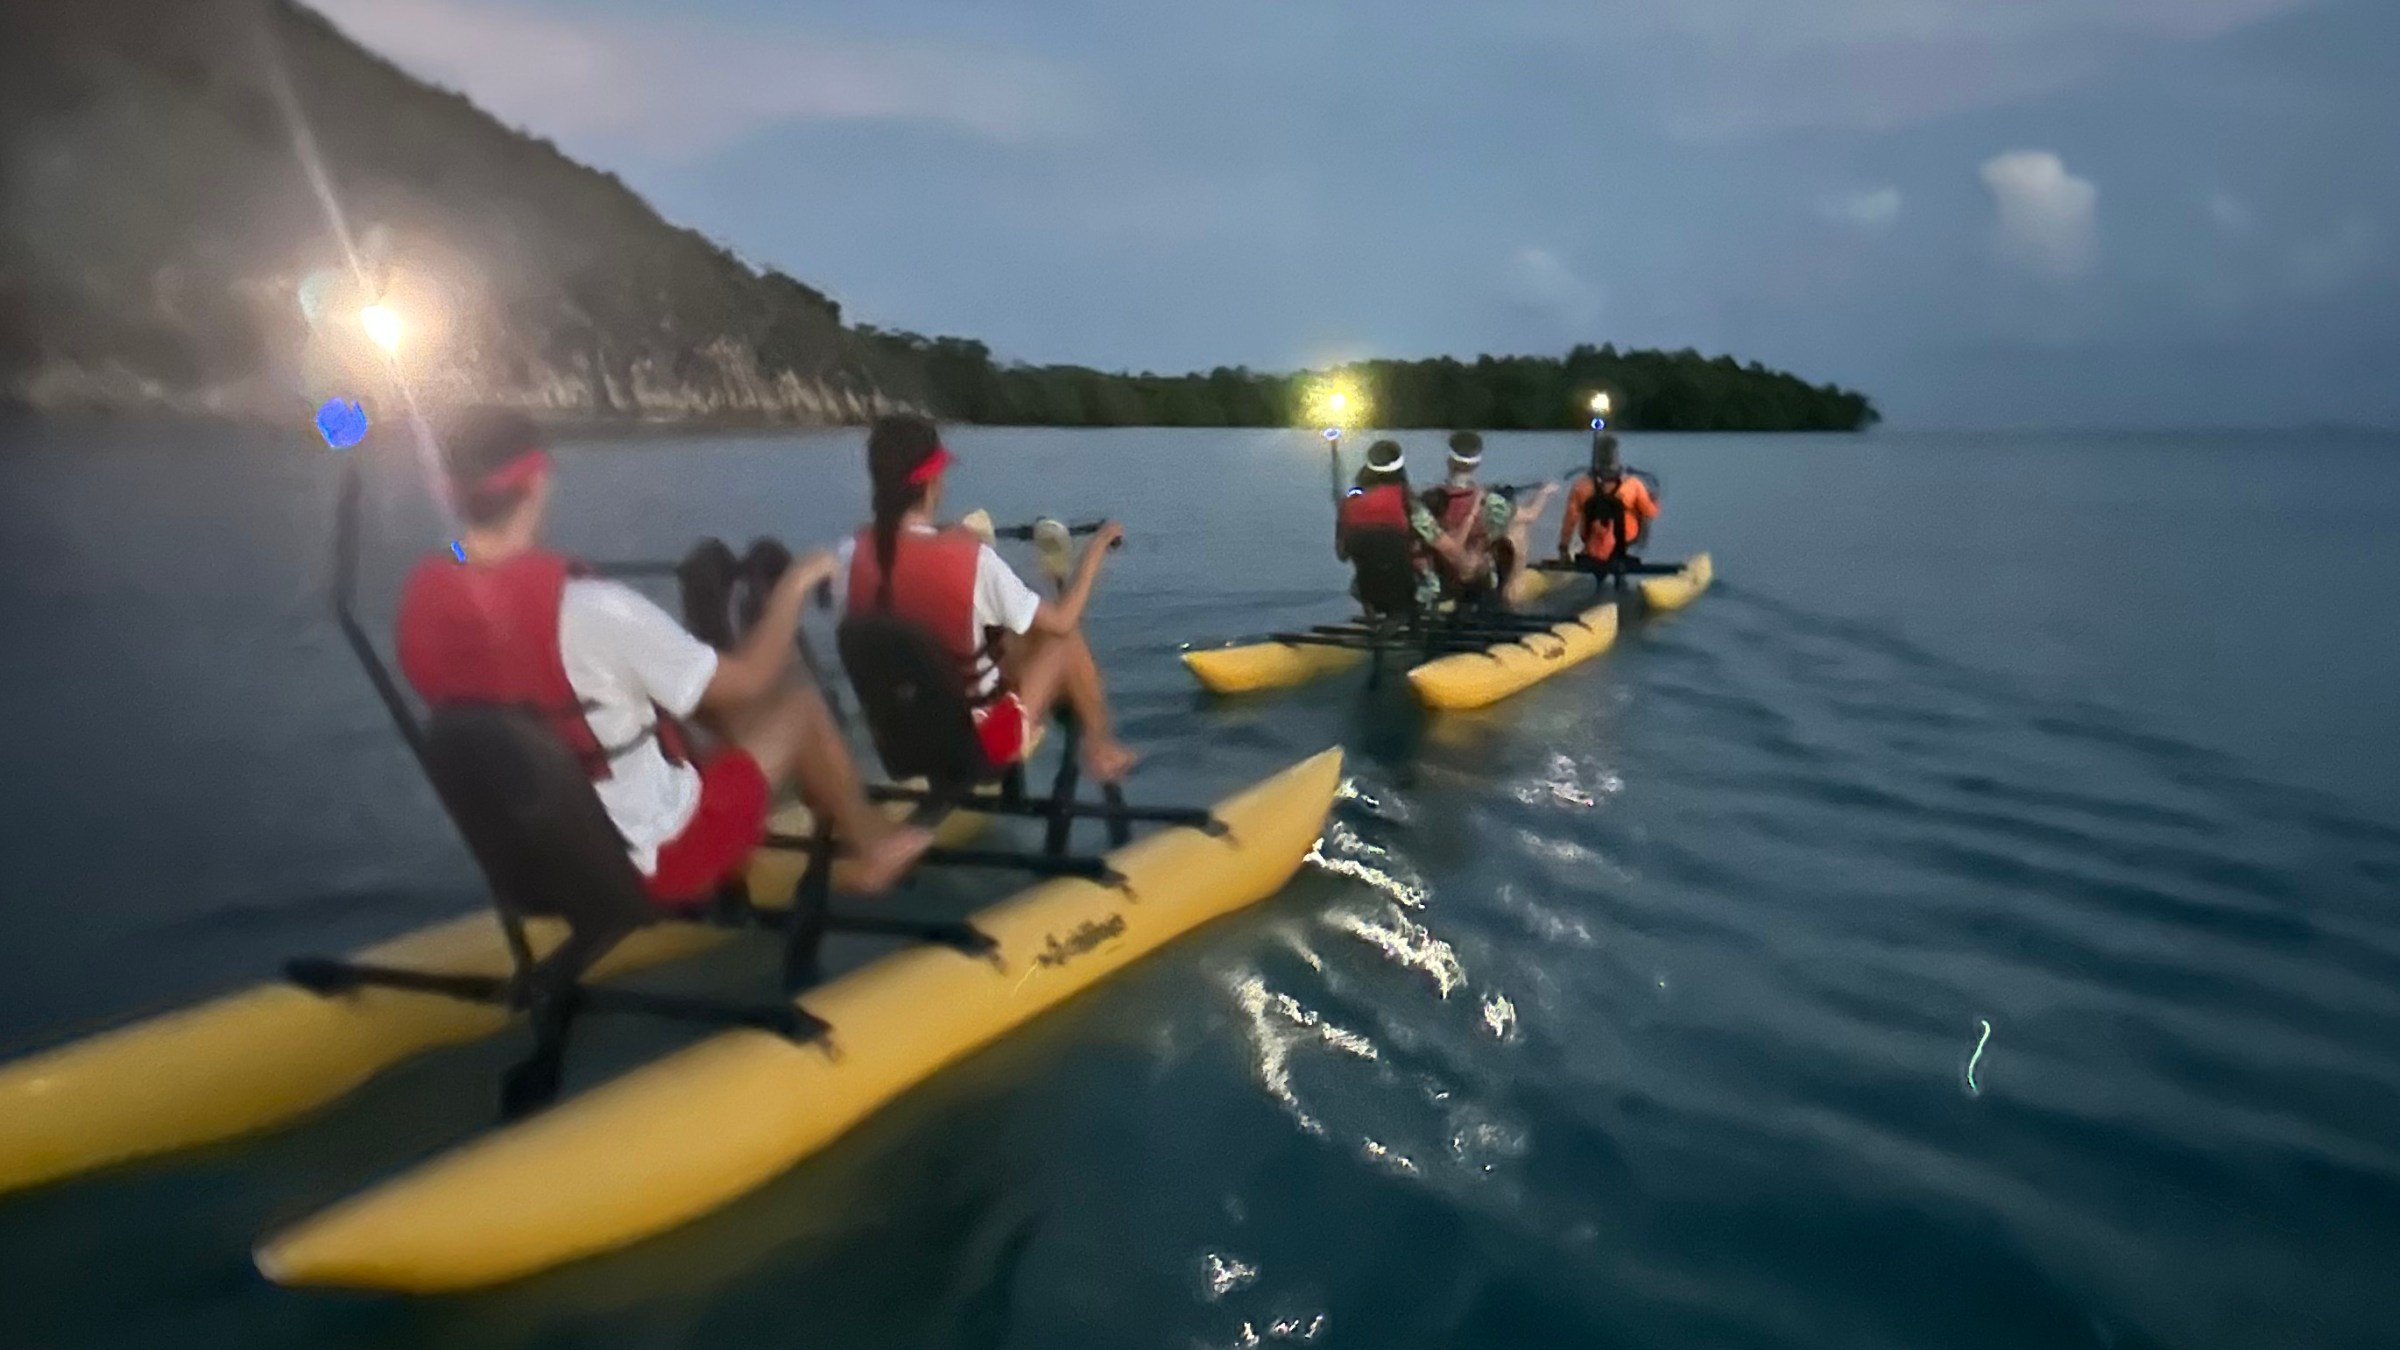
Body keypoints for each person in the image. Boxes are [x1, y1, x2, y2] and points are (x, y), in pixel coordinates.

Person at [395, 408, 932, 907]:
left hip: (530, 863)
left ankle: (805, 832)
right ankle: (872, 844)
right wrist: (794, 587)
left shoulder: (423, 608)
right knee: (796, 702)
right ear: (536, 482)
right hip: (647, 864)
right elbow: (749, 680)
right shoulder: (593, 610)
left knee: (690, 709)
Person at [834, 414, 1138, 783]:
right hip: (978, 749)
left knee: (1006, 637)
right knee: (1064, 641)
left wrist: (947, 534)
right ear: (933, 480)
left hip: (898, 747)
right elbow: (1062, 620)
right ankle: (1101, 748)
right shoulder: (973, 560)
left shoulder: (848, 556)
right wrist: (1095, 551)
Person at [1333, 438, 1473, 614]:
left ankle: (1377, 621)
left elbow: (1342, 554)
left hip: (1365, 592)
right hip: (1413, 591)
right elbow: (1449, 550)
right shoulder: (1408, 504)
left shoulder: (1349, 505)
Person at [1419, 430, 1529, 604]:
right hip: (1475, 577)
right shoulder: (1487, 500)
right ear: (1477, 465)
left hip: (1442, 574)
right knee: (1518, 529)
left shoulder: (1430, 498)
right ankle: (1511, 591)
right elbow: (1527, 516)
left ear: (1449, 462)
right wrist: (1545, 493)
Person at [1558, 432, 1659, 579]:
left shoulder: (1580, 485)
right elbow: (1650, 513)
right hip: (1625, 541)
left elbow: (1570, 520)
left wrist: (1563, 548)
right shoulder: (1633, 484)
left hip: (1591, 540)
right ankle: (1624, 560)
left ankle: (1593, 555)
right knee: (1643, 512)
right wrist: (1654, 500)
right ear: (1616, 456)